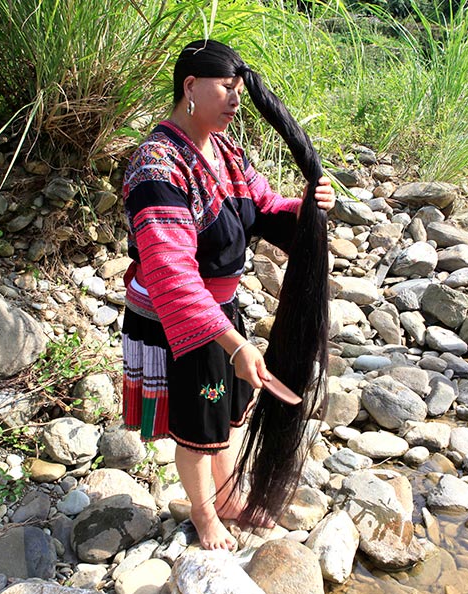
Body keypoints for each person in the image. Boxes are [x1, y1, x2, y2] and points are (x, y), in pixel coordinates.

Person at [120, 39, 335, 551]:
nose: (237, 102)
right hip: (179, 315)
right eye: (227, 89)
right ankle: (203, 514)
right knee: (200, 420)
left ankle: (230, 497)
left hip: (220, 307)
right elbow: (172, 273)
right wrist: (236, 345)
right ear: (190, 87)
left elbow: (262, 206)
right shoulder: (156, 166)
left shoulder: (226, 153)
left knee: (232, 406)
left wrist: (306, 208)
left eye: (241, 92)